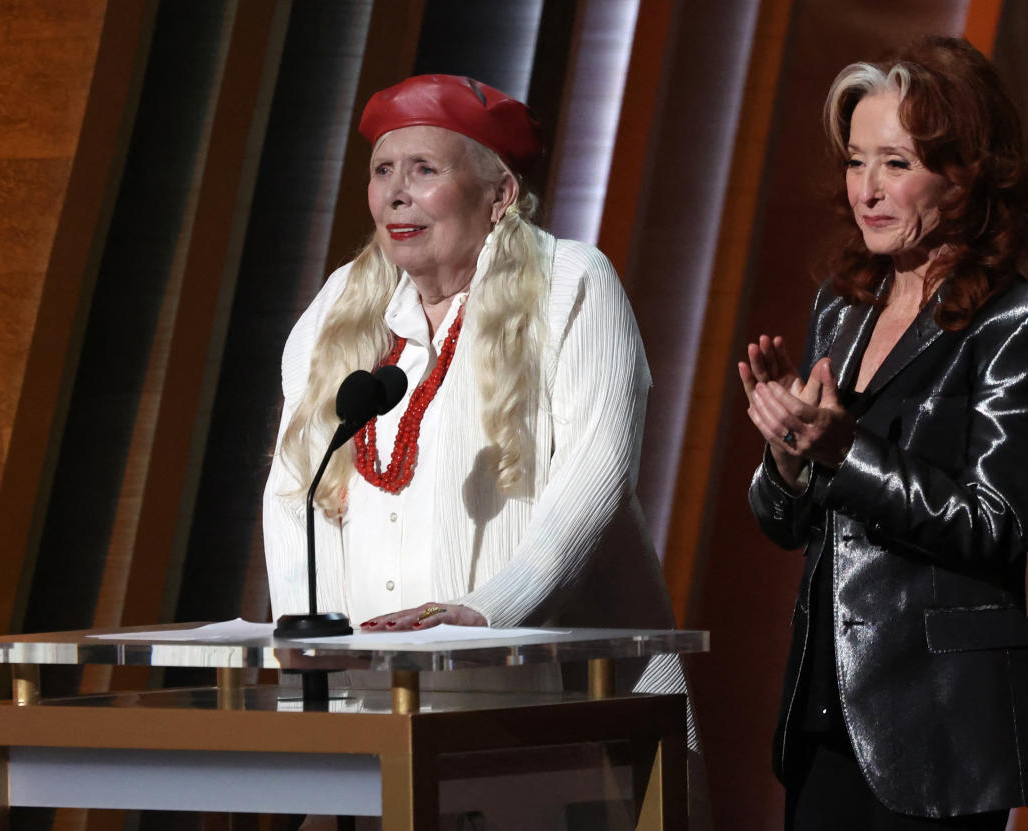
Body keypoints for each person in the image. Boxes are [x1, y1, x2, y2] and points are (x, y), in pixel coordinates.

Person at [263, 74, 707, 827]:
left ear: (499, 193)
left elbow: (595, 476)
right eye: (381, 171)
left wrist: (485, 614)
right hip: (379, 707)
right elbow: (293, 488)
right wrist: (314, 639)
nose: (395, 194)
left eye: (424, 170)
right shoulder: (338, 309)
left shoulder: (572, 280)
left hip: (552, 697)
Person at [740, 36, 1028, 830]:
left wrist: (840, 449)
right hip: (825, 705)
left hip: (934, 726)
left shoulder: (1021, 324)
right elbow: (786, 523)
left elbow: (993, 525)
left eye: (895, 163)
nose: (866, 190)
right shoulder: (840, 306)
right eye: (855, 162)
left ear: (965, 175)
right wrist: (786, 461)